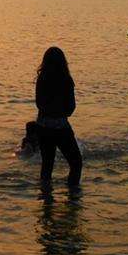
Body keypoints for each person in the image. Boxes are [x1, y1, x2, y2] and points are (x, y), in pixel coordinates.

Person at [35, 47, 82, 187]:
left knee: (47, 165)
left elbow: (39, 104)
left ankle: (46, 200)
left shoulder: (42, 78)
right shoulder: (66, 80)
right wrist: (60, 112)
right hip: (61, 127)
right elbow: (71, 108)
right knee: (76, 163)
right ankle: (73, 194)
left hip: (43, 126)